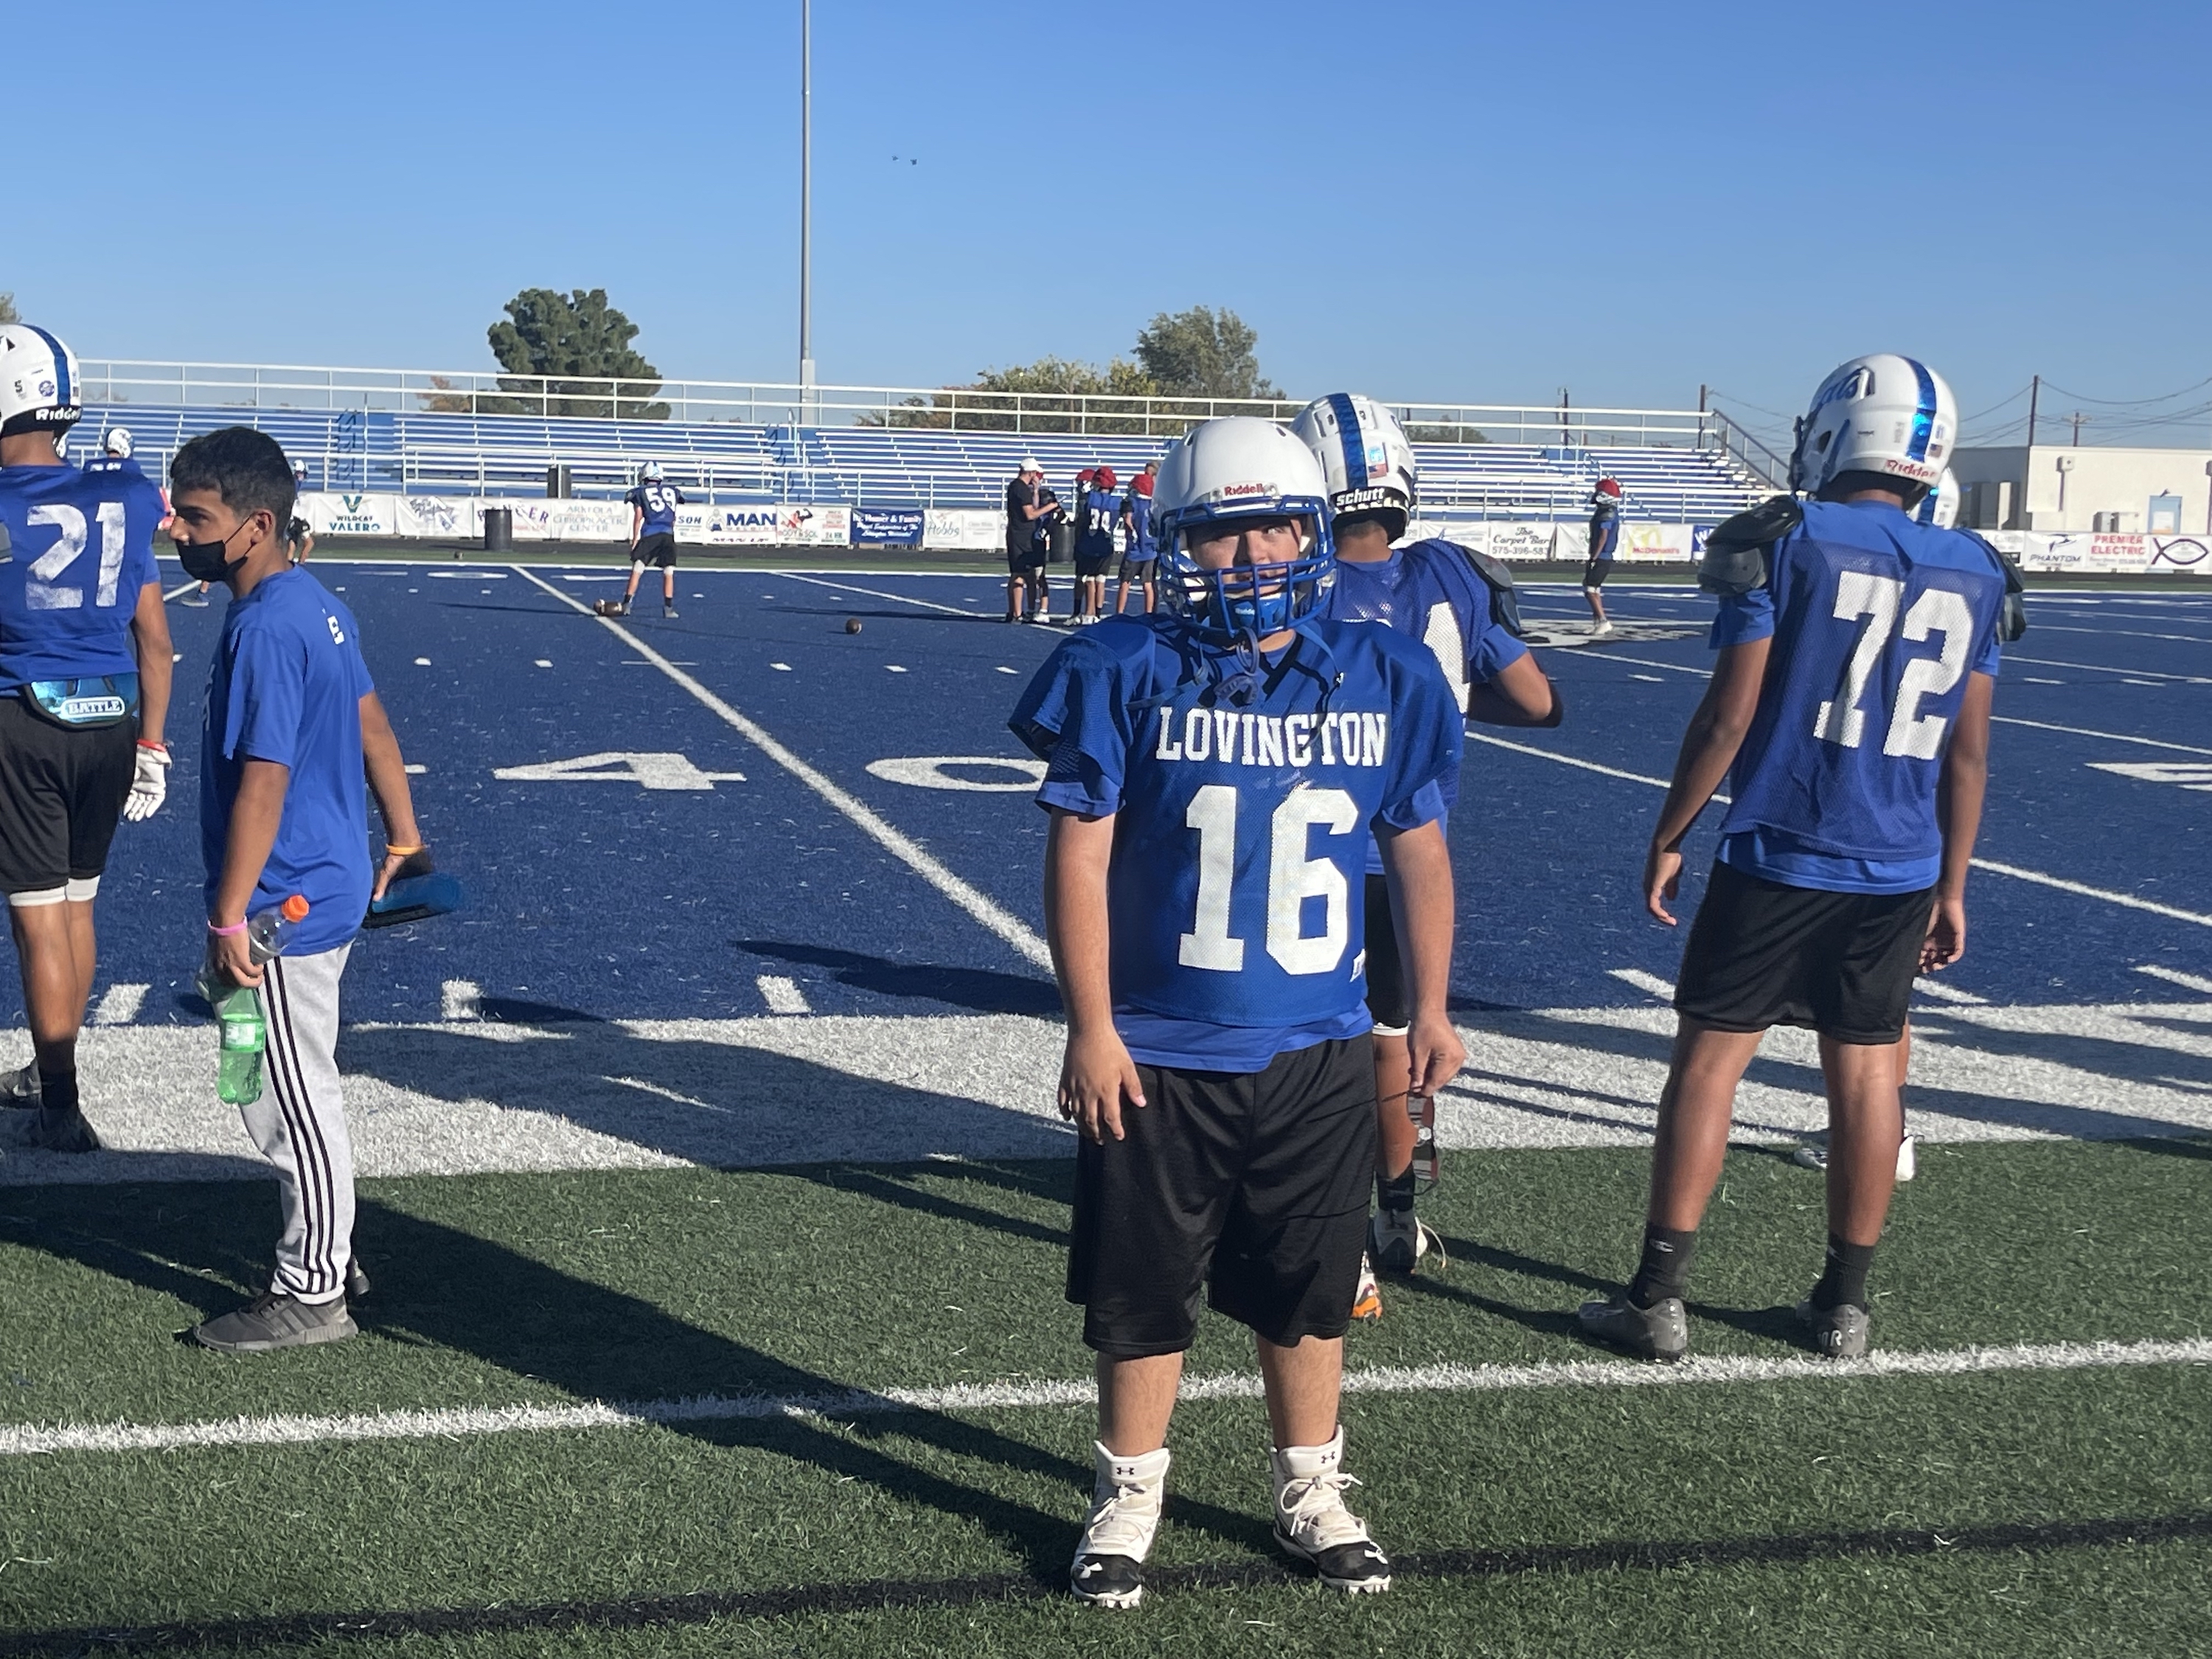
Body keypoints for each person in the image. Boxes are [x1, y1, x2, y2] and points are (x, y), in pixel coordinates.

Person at [1010, 417, 1466, 1607]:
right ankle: (1129, 1495)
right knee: (1142, 1293)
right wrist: (1091, 1024)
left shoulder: (1384, 673)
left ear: (1315, 531)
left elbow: (1418, 848)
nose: (1254, 554)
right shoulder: (1124, 664)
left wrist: (1429, 1006)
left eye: (1275, 527)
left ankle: (1311, 1486)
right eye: (1223, 532)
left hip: (1320, 1044)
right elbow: (1079, 853)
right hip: (1160, 1048)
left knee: (1310, 1290)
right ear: (1176, 543)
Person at [1576, 355, 2021, 1365]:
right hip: (1901, 867)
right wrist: (1954, 884)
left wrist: (1670, 832)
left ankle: (1658, 1296)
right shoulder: (1979, 565)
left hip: (1783, 846)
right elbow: (1969, 753)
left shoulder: (1787, 538)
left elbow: (1729, 715)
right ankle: (1844, 1306)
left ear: (1835, 432)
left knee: (1710, 1063)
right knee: (1868, 1080)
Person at [1292, 393, 1562, 1316]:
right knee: (1393, 1044)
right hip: (1417, 858)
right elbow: (1538, 702)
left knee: (1308, 1049)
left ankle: (1332, 1240)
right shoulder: (1453, 573)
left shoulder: (1300, 584)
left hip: (1318, 849)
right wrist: (1443, 706)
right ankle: (1397, 1216)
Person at [167, 425, 429, 1352]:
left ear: (256, 525)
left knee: (291, 1097)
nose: (177, 530)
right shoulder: (313, 602)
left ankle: (315, 1286)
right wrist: (405, 834)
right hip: (320, 878)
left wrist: (227, 917)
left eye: (195, 517)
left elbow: (264, 781)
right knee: (273, 1076)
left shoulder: (270, 626)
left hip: (284, 900)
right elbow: (373, 726)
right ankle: (328, 1241)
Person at [0, 325, 175, 1151]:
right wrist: (154, 746)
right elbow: (155, 640)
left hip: (24, 718)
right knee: (75, 904)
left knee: (37, 917)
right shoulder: (125, 497)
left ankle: (61, 1105)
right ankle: (51, 1074)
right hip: (112, 718)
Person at [602, 462, 684, 618]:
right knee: (668, 571)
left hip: (650, 534)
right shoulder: (672, 491)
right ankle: (668, 609)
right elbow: (673, 517)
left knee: (638, 568)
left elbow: (638, 518)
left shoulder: (640, 492)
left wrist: (635, 540)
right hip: (668, 535)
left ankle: (627, 604)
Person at [1004, 456, 1054, 622]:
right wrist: (1050, 507)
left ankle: (1013, 612)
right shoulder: (1021, 488)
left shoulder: (1016, 486)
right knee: (1020, 574)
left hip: (1018, 534)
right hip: (1021, 535)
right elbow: (1031, 514)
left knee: (1019, 574)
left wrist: (1035, 491)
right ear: (1031, 472)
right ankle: (1017, 613)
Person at [1074, 465, 1120, 624]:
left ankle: (1088, 613)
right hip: (1106, 544)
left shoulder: (1089, 499)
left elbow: (1082, 521)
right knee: (1101, 580)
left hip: (1089, 542)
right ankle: (1097, 614)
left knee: (1089, 579)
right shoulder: (1117, 502)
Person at [1115, 459, 1158, 615]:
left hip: (1135, 549)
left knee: (1125, 583)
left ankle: (1120, 613)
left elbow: (1128, 520)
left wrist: (1132, 532)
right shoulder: (1154, 504)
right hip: (1150, 549)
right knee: (1148, 584)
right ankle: (1149, 614)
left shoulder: (1132, 502)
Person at [1581, 477, 1621, 635]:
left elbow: (1603, 537)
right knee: (1594, 589)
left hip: (1602, 556)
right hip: (1603, 556)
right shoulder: (1607, 511)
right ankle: (1598, 621)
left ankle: (1603, 620)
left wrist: (1594, 557)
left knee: (1590, 589)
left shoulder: (1607, 513)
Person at [288, 459, 315, 564]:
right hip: (294, 517)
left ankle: (289, 564)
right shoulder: (294, 484)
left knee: (293, 542)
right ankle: (301, 564)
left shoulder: (290, 484)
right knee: (309, 543)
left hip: (291, 517)